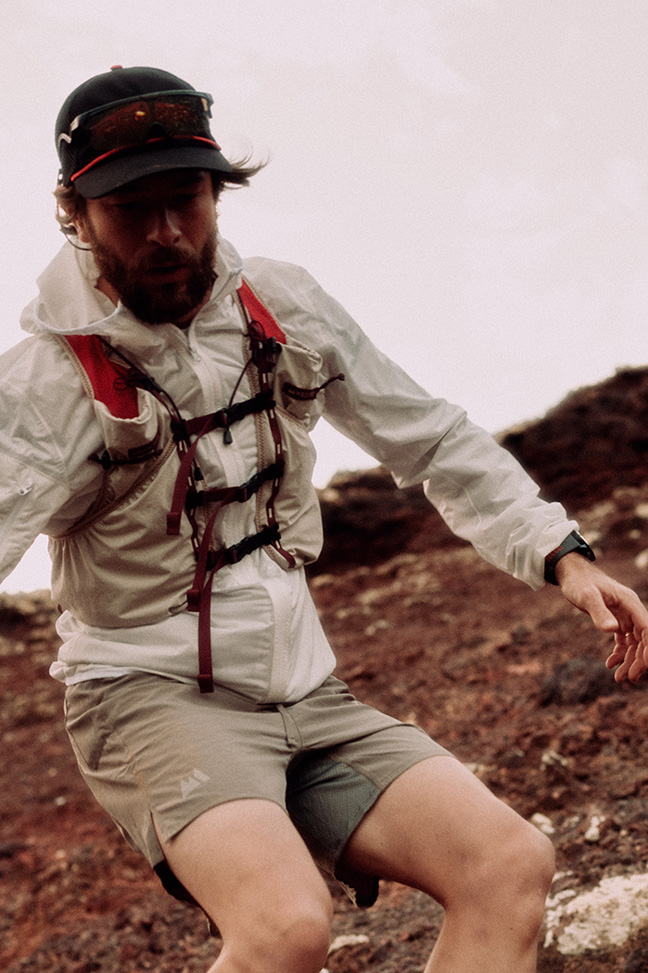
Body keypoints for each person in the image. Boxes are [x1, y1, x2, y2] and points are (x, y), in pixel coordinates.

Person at [1, 65, 647, 973]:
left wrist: (563, 555)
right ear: (74, 213)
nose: (165, 231)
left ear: (216, 192)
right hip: (152, 696)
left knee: (508, 865)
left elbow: (427, 434)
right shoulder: (43, 386)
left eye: (186, 197)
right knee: (285, 928)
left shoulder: (282, 304)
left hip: (306, 689)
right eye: (129, 207)